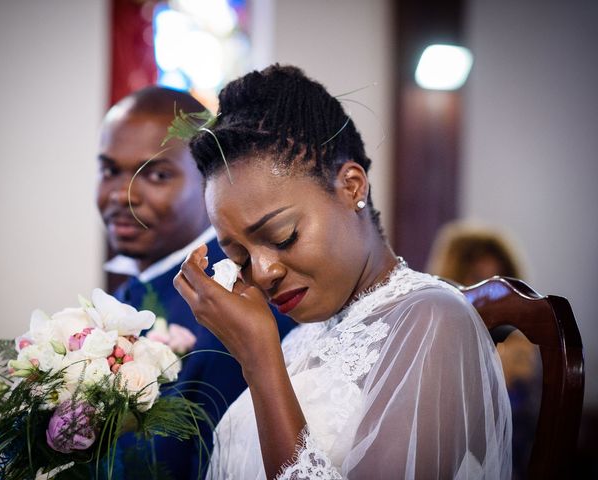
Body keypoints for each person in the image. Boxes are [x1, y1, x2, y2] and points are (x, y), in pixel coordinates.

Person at [173, 65, 513, 479]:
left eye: (283, 236)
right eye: (239, 256)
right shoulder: (301, 338)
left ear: (352, 186)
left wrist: (260, 362)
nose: (262, 273)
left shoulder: (433, 318)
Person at [96, 85, 295, 479]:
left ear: (211, 182)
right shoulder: (130, 291)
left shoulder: (234, 301)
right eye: (109, 170)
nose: (122, 194)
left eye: (155, 174)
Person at [426, 220, 540, 479]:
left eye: (500, 278)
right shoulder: (433, 341)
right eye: (477, 278)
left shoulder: (524, 348)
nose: (491, 290)